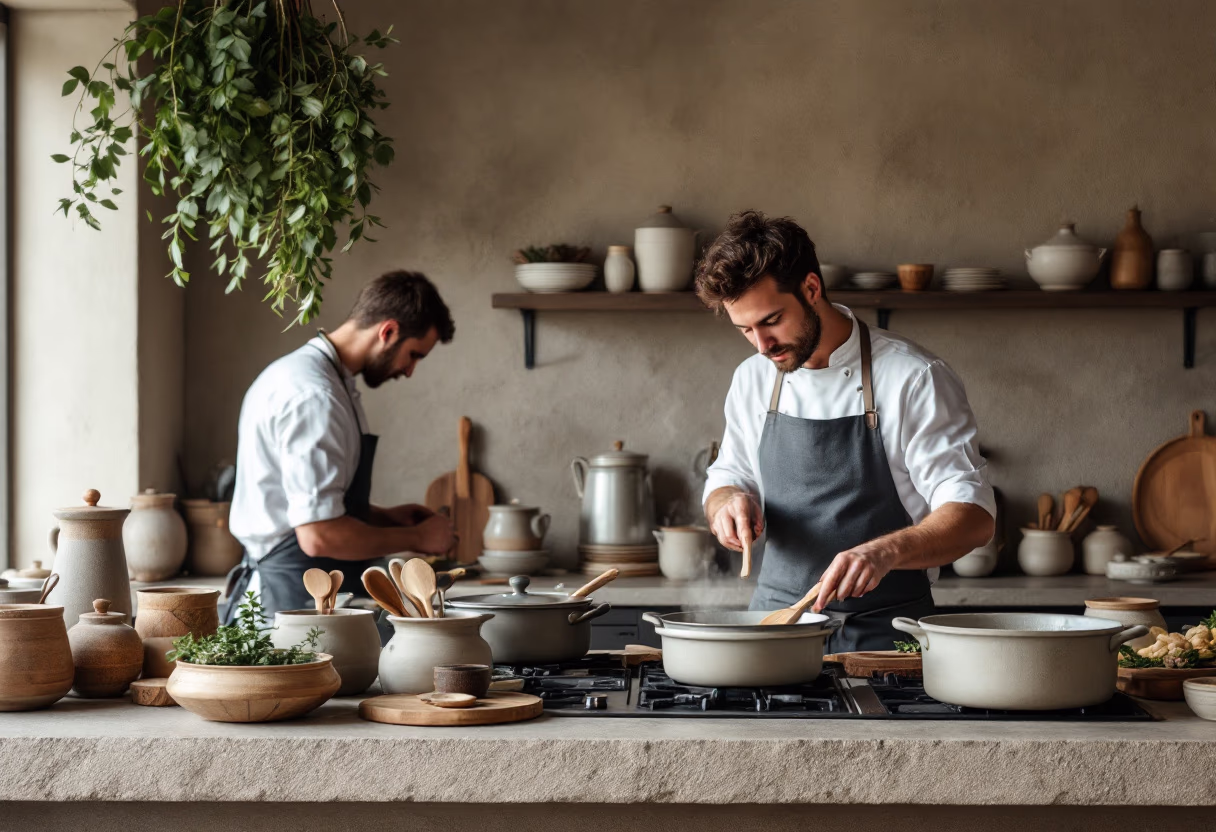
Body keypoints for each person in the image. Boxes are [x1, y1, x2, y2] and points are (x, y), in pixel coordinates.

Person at [695, 211, 995, 651]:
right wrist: (728, 503)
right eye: (745, 330)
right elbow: (729, 475)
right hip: (776, 629)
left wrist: (884, 552)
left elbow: (973, 517)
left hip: (887, 636)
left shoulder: (913, 378)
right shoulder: (753, 378)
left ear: (812, 289)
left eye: (772, 320)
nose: (762, 346)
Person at [224, 270, 457, 620]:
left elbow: (311, 502)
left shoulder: (326, 381)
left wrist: (384, 517)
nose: (409, 371)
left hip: (309, 590)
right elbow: (319, 535)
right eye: (413, 355)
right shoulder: (314, 395)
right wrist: (416, 538)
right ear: (388, 332)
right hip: (289, 603)